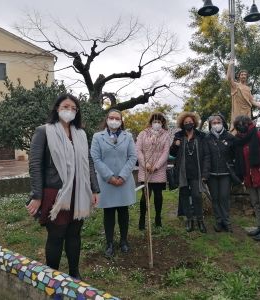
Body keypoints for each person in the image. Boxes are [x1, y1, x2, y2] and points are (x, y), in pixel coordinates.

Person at [27, 94, 100, 279]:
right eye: (66, 106)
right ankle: (53, 277)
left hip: (79, 192)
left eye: (74, 108)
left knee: (75, 234)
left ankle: (75, 275)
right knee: (56, 235)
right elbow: (35, 165)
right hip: (56, 193)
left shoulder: (81, 134)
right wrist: (37, 195)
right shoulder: (43, 131)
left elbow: (88, 162)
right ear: (57, 108)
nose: (70, 111)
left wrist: (94, 188)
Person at [91, 109, 137, 258]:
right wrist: (109, 177)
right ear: (107, 119)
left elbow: (132, 157)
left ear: (121, 121)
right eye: (111, 118)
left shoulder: (128, 136)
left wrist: (122, 176)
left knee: (124, 213)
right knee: (109, 213)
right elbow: (96, 158)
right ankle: (109, 243)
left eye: (117, 118)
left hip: (124, 181)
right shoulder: (98, 137)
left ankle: (124, 241)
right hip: (107, 182)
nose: (114, 120)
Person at [233, 115, 260, 241]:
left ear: (249, 124)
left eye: (244, 123)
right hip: (248, 177)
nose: (242, 126)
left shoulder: (259, 135)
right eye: (239, 124)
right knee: (256, 203)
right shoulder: (238, 140)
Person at [169, 111, 210, 233]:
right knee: (184, 196)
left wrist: (205, 173)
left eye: (190, 122)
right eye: (186, 122)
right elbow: (172, 153)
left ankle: (200, 219)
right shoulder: (178, 135)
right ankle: (189, 219)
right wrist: (175, 145)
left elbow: (207, 155)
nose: (188, 124)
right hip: (183, 173)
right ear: (182, 123)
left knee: (197, 196)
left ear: (194, 123)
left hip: (197, 172)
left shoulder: (201, 135)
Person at [136, 112, 171, 230]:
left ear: (162, 123)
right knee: (145, 195)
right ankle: (142, 219)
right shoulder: (143, 133)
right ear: (151, 122)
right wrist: (146, 164)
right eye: (155, 121)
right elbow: (138, 150)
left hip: (159, 169)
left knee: (158, 195)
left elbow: (166, 152)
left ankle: (158, 218)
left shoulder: (166, 135)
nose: (157, 124)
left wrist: (156, 166)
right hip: (145, 168)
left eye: (159, 122)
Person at [205, 113, 236, 232]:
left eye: (218, 122)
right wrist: (205, 173)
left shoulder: (230, 137)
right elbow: (206, 156)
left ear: (223, 123)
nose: (216, 124)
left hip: (226, 173)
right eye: (214, 123)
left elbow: (235, 155)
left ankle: (226, 221)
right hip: (211, 174)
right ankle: (218, 221)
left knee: (224, 197)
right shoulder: (207, 138)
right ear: (210, 125)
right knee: (215, 198)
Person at [226, 59, 260, 132]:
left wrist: (258, 104)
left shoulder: (248, 88)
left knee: (246, 126)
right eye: (242, 75)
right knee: (237, 125)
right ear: (239, 76)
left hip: (247, 110)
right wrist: (230, 65)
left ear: (247, 77)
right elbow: (229, 78)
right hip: (238, 109)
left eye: (245, 75)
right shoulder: (235, 85)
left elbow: (251, 100)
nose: (243, 76)